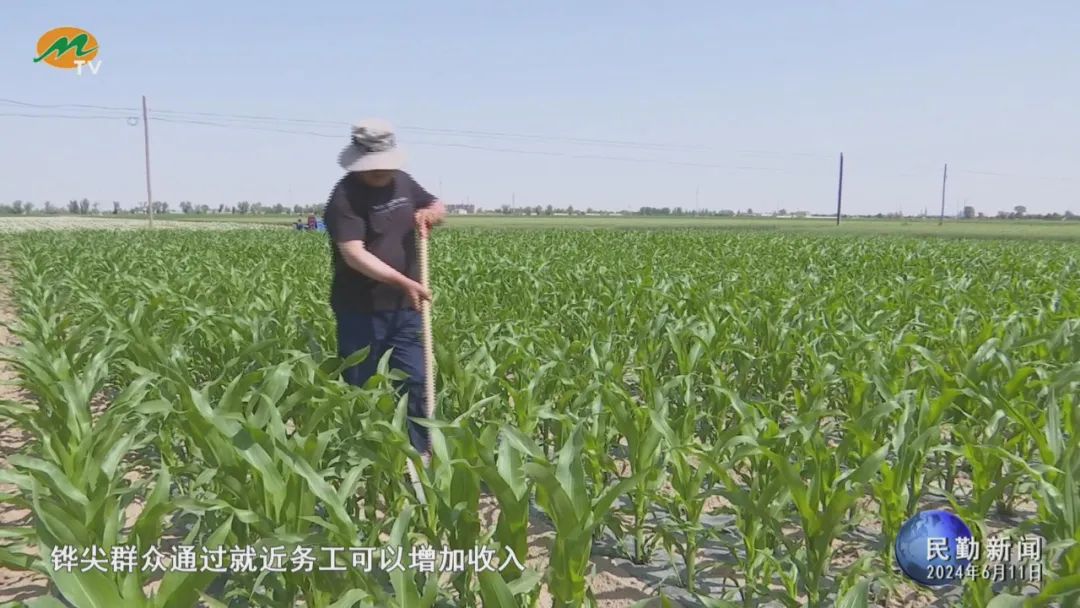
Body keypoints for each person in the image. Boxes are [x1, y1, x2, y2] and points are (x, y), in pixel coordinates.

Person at [323, 119, 446, 456]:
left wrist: (432, 213)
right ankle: (369, 460)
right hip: (360, 310)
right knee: (363, 391)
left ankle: (419, 454)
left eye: (385, 165)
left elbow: (435, 204)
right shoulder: (344, 197)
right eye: (373, 167)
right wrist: (404, 281)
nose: (381, 173)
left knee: (417, 381)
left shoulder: (403, 182)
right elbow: (354, 254)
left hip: (406, 309)